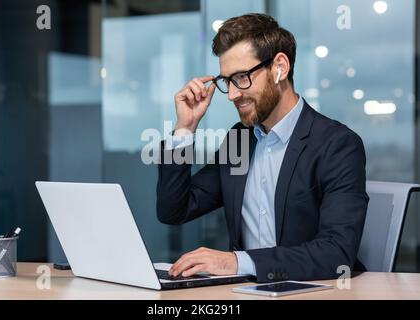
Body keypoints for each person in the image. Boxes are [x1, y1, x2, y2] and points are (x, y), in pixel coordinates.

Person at [156, 13, 368, 282]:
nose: (232, 94)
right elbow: (173, 210)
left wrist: (236, 262)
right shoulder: (240, 139)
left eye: (242, 77)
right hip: (246, 292)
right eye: (227, 81)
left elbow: (336, 253)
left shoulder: (337, 145)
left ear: (280, 66)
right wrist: (185, 128)